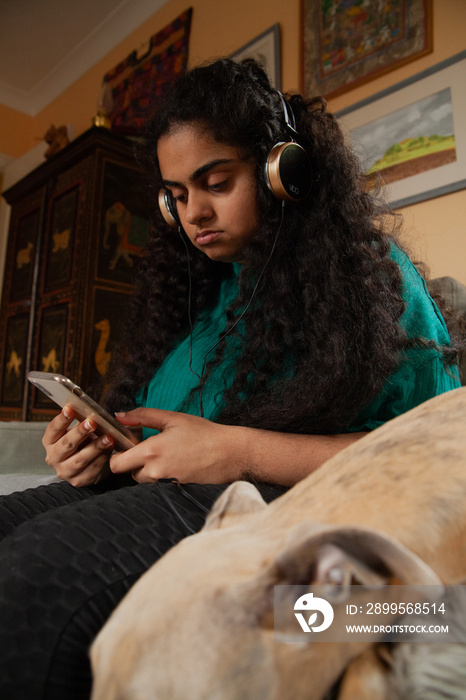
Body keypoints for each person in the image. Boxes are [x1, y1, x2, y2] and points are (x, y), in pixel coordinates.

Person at [0, 58, 461, 699]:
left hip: (266, 500)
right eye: (177, 196)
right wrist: (91, 455)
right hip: (143, 490)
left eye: (215, 181)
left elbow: (431, 461)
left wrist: (235, 448)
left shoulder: (370, 282)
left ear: (282, 172)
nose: (194, 213)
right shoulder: (200, 298)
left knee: (31, 576)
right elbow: (152, 436)